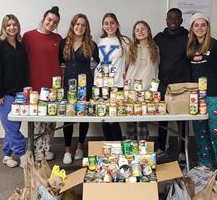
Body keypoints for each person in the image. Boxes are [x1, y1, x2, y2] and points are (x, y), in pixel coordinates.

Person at [187, 13, 217, 172]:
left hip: (215, 97)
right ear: (192, 28)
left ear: (207, 27)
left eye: (203, 25)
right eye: (196, 25)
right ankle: (205, 164)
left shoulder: (215, 45)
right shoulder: (192, 48)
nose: (200, 28)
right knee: (200, 133)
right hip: (198, 98)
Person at [0, 14, 27, 168]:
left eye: (14, 24)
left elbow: (23, 69)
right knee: (11, 126)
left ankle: (7, 155)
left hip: (20, 94)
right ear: (4, 27)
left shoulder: (20, 45)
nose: (12, 27)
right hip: (4, 95)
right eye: (8, 25)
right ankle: (23, 156)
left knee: (12, 127)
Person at [22, 6, 62, 161]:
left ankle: (47, 148)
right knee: (38, 122)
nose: (51, 24)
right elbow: (22, 61)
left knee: (51, 122)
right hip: (35, 87)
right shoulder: (28, 36)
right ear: (44, 18)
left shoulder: (58, 39)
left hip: (54, 87)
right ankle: (37, 151)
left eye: (55, 22)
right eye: (49, 20)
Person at [59, 14, 99, 164]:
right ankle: (67, 150)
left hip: (85, 86)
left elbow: (99, 64)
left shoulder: (91, 44)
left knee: (84, 116)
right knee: (68, 118)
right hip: (68, 86)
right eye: (77, 24)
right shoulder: (64, 43)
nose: (80, 27)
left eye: (83, 25)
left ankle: (80, 146)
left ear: (86, 27)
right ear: (72, 25)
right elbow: (60, 61)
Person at [154, 8, 191, 161]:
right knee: (162, 118)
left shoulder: (189, 37)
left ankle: (182, 150)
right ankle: (162, 147)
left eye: (176, 18)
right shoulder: (159, 38)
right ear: (166, 20)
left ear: (181, 21)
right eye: (170, 18)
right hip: (163, 84)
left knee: (182, 120)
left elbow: (205, 45)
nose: (173, 21)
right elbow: (144, 49)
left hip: (182, 86)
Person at [94, 13, 130, 141]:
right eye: (106, 23)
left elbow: (130, 61)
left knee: (114, 117)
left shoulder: (124, 41)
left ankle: (117, 145)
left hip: (117, 83)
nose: (109, 26)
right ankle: (108, 145)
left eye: (112, 22)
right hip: (100, 82)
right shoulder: (99, 41)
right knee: (104, 116)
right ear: (103, 26)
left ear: (117, 24)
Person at [125, 21, 159, 140]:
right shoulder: (130, 48)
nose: (140, 31)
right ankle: (130, 148)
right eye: (137, 29)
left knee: (142, 122)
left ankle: (143, 151)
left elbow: (156, 69)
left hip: (147, 90)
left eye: (143, 29)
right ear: (134, 33)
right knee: (130, 121)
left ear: (148, 31)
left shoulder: (155, 48)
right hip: (131, 90)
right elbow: (125, 67)